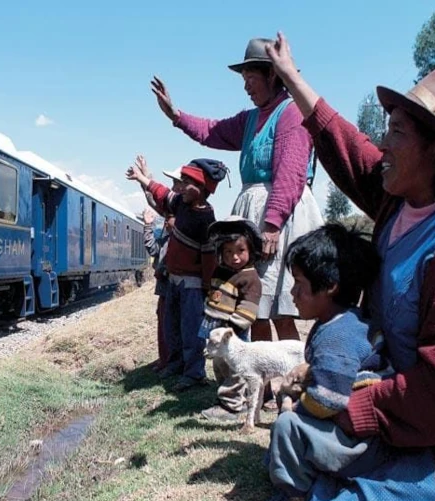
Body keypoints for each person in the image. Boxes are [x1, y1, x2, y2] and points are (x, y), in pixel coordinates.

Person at [263, 32, 435, 501]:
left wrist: (357, 407)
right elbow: (347, 147)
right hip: (389, 407)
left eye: (397, 133)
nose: (382, 145)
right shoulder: (396, 202)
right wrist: (291, 78)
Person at [151, 38, 323, 348]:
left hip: (279, 216)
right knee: (256, 310)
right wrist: (176, 116)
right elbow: (212, 130)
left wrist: (272, 225)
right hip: (255, 215)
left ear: (272, 75)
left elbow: (290, 173)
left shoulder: (291, 113)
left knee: (281, 313)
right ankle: (262, 374)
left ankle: (290, 372)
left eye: (250, 78)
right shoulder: (251, 119)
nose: (245, 87)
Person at [245, 223, 387, 501]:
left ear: (330, 286)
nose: (292, 292)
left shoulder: (336, 336)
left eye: (298, 283)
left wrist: (291, 406)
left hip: (360, 446)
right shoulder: (345, 322)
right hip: (364, 437)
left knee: (287, 424)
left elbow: (328, 400)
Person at [126, 157, 227, 391]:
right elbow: (161, 192)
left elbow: (209, 258)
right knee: (172, 327)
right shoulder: (181, 203)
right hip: (173, 280)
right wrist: (142, 178)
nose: (179, 187)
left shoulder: (206, 219)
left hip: (192, 285)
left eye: (185, 183)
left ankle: (194, 373)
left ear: (201, 188)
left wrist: (209, 287)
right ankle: (175, 364)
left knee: (191, 331)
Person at [197, 216, 263, 422]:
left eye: (240, 251)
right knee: (220, 365)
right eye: (228, 252)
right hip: (215, 327)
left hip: (232, 332)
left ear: (251, 250)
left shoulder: (250, 278)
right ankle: (231, 399)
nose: (234, 257)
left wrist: (229, 330)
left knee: (234, 368)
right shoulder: (221, 270)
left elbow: (247, 311)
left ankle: (231, 406)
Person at [142, 207, 176, 372]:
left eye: (169, 218)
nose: (166, 222)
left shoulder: (182, 241)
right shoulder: (165, 238)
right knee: (163, 324)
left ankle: (171, 361)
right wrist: (148, 226)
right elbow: (153, 249)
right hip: (164, 289)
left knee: (171, 326)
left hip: (174, 289)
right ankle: (165, 359)